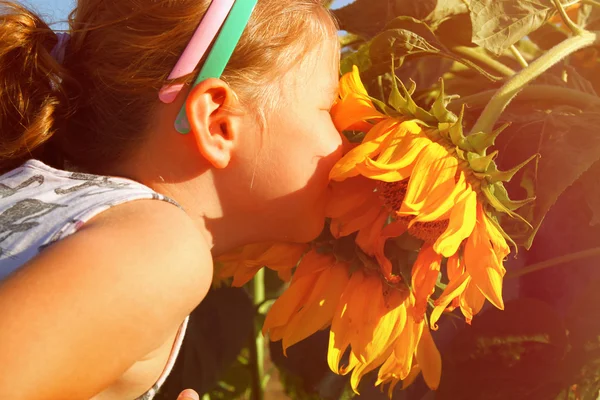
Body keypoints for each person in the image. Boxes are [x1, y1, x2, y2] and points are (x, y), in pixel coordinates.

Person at [0, 0, 342, 398]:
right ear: (218, 125)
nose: (347, 139)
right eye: (329, 107)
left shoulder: (65, 204)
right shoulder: (158, 248)